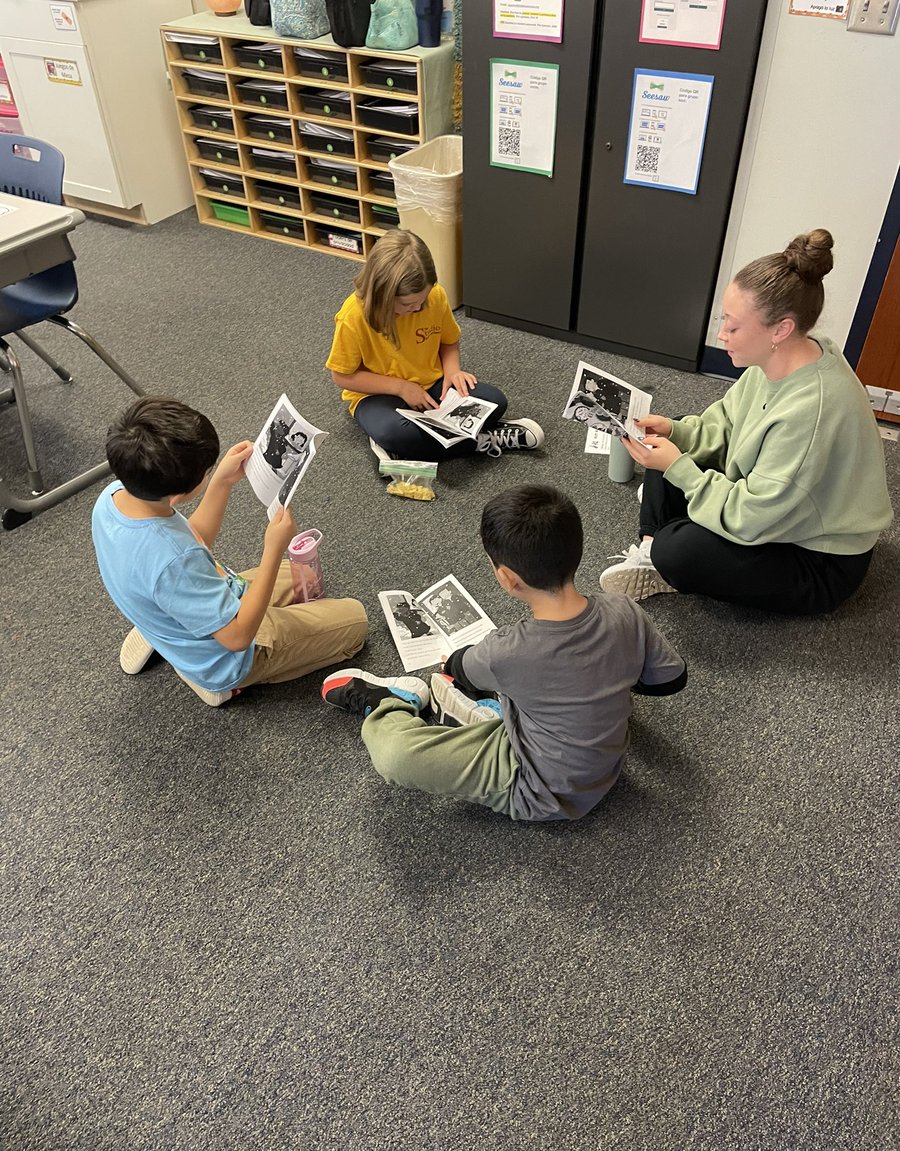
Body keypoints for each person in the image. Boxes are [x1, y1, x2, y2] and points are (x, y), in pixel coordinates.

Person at [320, 485, 687, 822]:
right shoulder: (624, 609)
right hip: (606, 765)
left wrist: (461, 664)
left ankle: (393, 703)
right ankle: (491, 713)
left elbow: (458, 667)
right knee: (529, 689)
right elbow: (671, 678)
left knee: (396, 757)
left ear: (508, 578)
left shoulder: (506, 650)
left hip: (537, 790)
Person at [600, 229, 894, 614]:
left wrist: (680, 470)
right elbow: (724, 426)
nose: (721, 335)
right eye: (724, 320)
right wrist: (676, 434)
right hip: (776, 508)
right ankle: (654, 547)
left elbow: (752, 518)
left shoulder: (812, 410)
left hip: (819, 559)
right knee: (668, 436)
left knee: (680, 546)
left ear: (781, 329)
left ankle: (665, 553)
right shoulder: (783, 358)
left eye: (733, 326)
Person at [92, 397, 368, 707]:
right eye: (207, 473)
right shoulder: (174, 561)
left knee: (305, 578)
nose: (210, 473)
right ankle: (213, 679)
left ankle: (164, 628)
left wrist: (221, 483)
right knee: (356, 621)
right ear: (180, 494)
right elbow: (237, 638)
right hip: (230, 655)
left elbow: (193, 540)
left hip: (190, 594)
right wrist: (273, 550)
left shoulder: (114, 495)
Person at [326, 228, 545, 462]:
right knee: (394, 432)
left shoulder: (435, 297)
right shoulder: (353, 316)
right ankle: (485, 440)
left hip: (433, 386)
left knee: (495, 401)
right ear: (382, 295)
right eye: (409, 304)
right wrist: (401, 387)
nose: (419, 309)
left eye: (423, 300)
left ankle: (408, 448)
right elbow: (342, 377)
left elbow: (449, 341)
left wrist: (453, 371)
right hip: (378, 395)